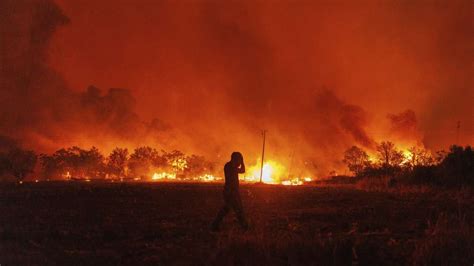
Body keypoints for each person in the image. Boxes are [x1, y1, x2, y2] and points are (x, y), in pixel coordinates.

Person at [211, 152, 249, 231]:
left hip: (233, 191)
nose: (239, 162)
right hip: (230, 191)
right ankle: (244, 226)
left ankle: (244, 226)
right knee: (232, 209)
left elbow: (242, 170)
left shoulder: (231, 166)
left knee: (235, 209)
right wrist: (242, 162)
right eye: (238, 159)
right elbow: (242, 170)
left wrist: (242, 161)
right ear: (234, 159)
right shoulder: (229, 166)